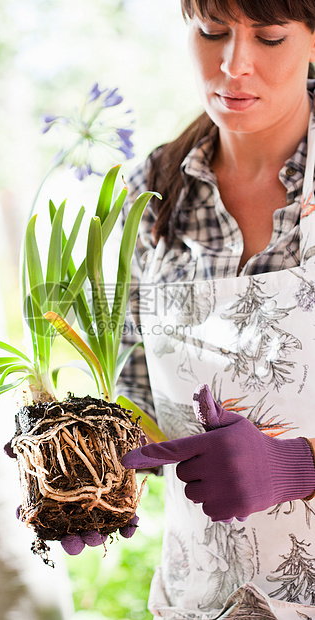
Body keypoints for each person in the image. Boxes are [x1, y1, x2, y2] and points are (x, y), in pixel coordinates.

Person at [116, 0, 315, 618]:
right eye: (213, 32)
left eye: (271, 37)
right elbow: (141, 403)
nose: (234, 64)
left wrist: (294, 467)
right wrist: (91, 475)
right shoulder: (151, 192)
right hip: (198, 600)